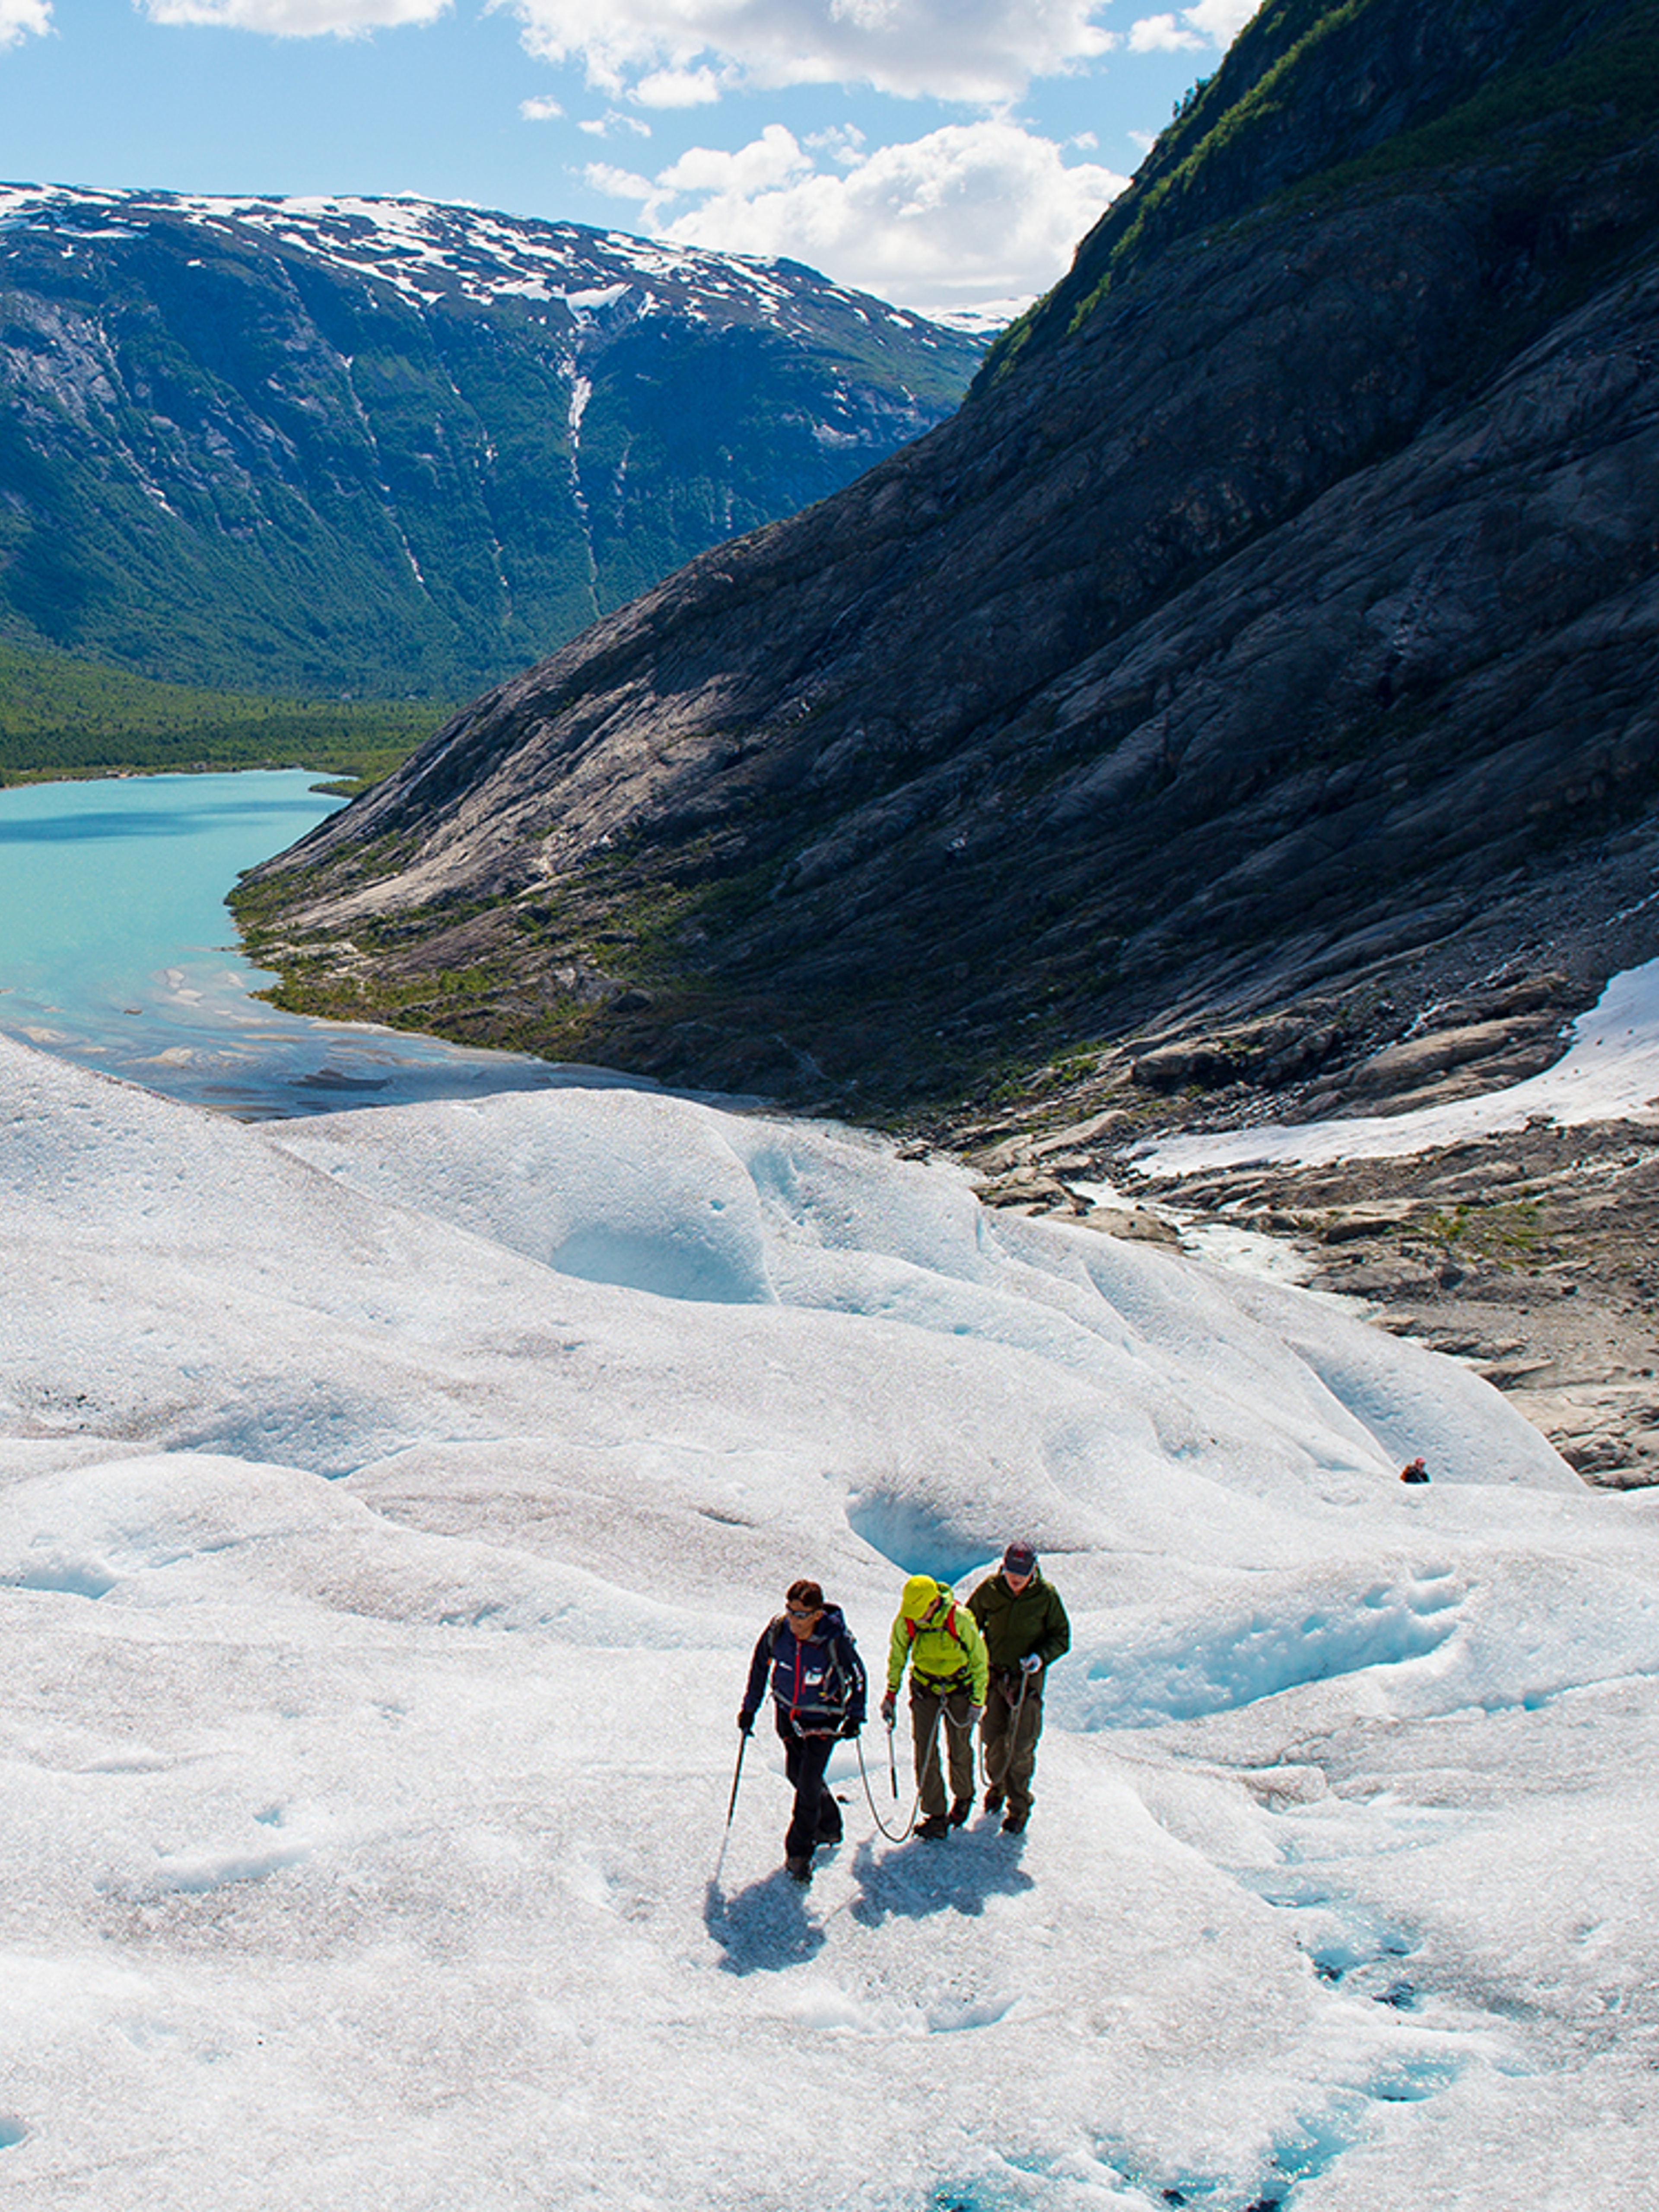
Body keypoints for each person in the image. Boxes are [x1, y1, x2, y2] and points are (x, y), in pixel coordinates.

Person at [738, 1579, 866, 1882]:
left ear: (818, 1614)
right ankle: (830, 1823)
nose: (794, 1620)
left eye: (802, 1614)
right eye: (791, 1611)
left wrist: (855, 1716)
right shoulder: (777, 1632)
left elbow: (858, 1676)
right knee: (797, 1775)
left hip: (824, 1719)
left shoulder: (834, 1640)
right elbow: (759, 1668)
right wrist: (749, 1709)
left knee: (807, 1783)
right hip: (787, 1715)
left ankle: (799, 1854)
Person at [967, 1541, 1070, 1835]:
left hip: (1027, 1681)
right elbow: (969, 1622)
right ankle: (996, 1786)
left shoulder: (1046, 1597)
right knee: (993, 1735)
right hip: (995, 1676)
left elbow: (1061, 1636)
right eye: (1012, 1572)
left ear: (1033, 1571)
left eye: (1022, 1574)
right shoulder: (991, 1589)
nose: (1016, 1579)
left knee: (1022, 1742)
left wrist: (1041, 1657)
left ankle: (1019, 1807)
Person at [879, 1574, 989, 1840]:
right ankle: (936, 1815)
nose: (918, 1618)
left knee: (959, 1747)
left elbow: (979, 1659)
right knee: (925, 1750)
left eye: (921, 1612)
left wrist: (977, 1700)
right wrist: (890, 1694)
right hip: (925, 1689)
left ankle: (963, 1798)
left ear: (934, 1603)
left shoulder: (959, 1618)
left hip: (959, 1689)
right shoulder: (906, 1620)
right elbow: (898, 1655)